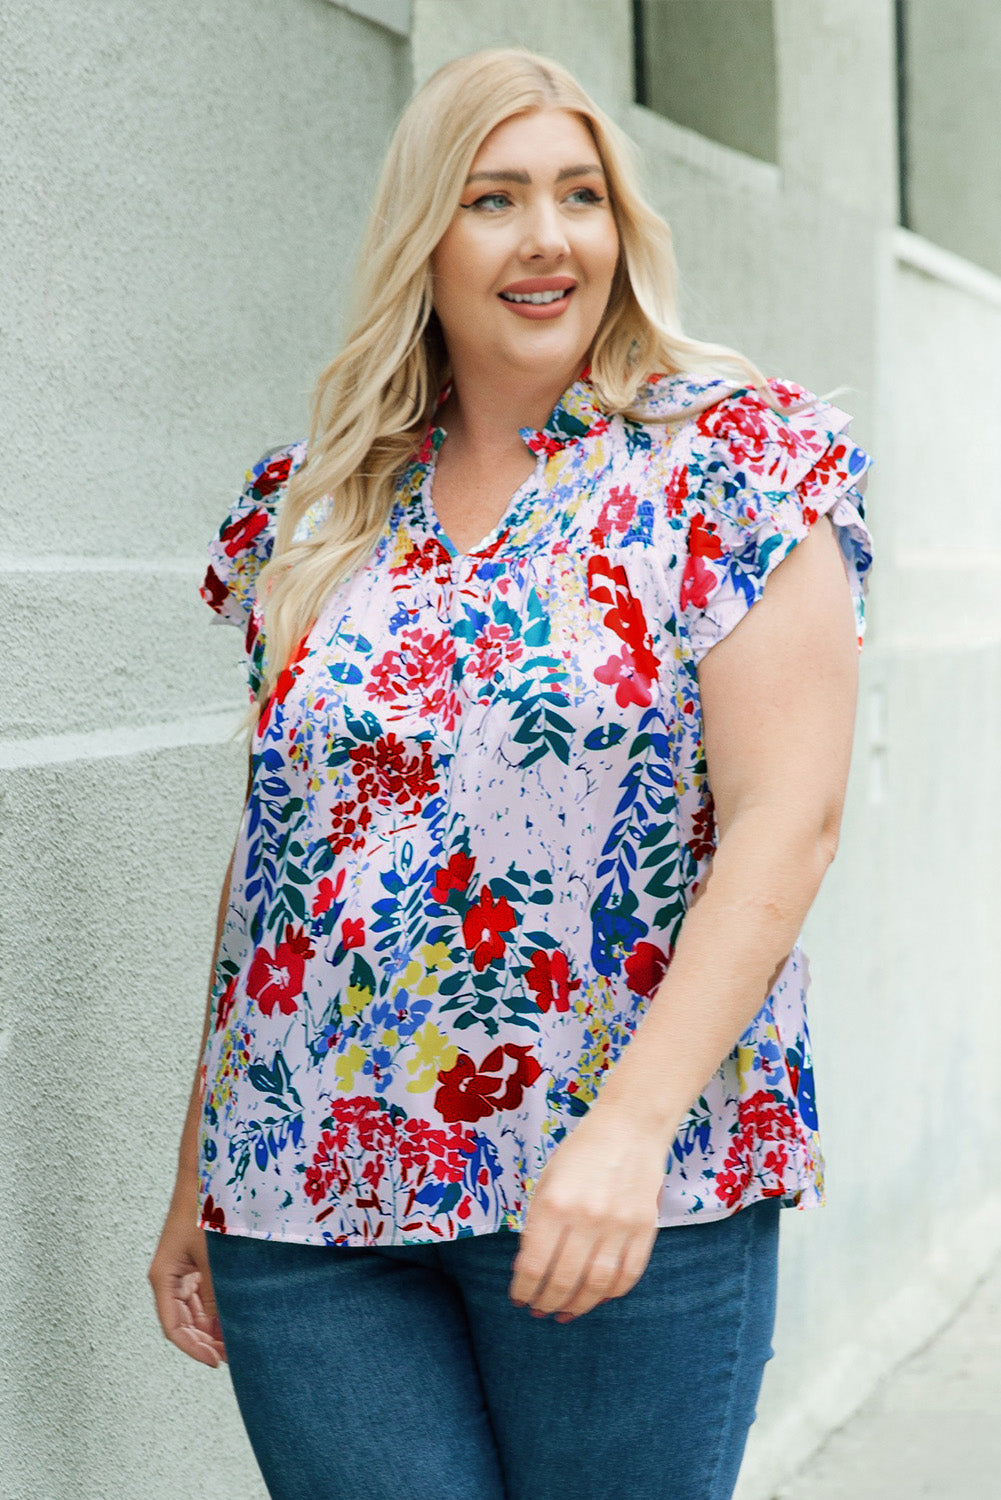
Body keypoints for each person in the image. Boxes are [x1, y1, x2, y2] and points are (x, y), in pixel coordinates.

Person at [149, 46, 873, 1500]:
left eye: (580, 195)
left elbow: (785, 823)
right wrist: (195, 1173)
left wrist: (627, 1135)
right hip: (302, 1199)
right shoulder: (320, 508)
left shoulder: (726, 465)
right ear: (424, 235)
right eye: (494, 198)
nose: (549, 238)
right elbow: (278, 855)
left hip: (618, 1193)